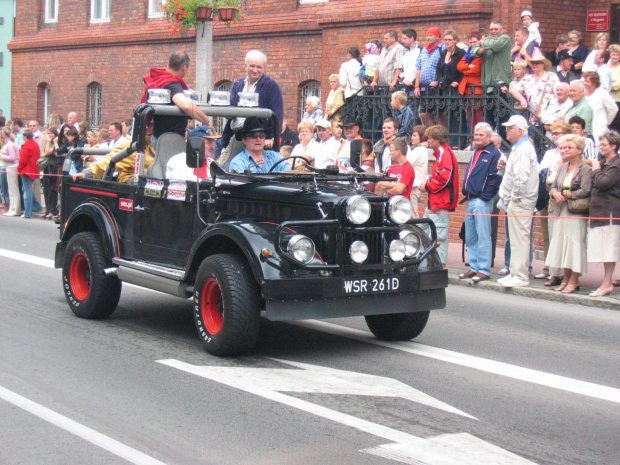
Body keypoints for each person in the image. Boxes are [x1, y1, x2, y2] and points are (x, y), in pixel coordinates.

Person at [545, 134, 592, 293]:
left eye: (569, 147)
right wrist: (555, 193)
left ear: (579, 150)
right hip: (560, 210)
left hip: (575, 212)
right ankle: (565, 279)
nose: (564, 150)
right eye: (563, 148)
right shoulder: (563, 166)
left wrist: (569, 194)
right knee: (563, 246)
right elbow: (553, 186)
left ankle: (574, 280)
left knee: (574, 246)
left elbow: (586, 190)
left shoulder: (585, 168)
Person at [497, 115, 539, 288]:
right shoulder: (519, 147)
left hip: (521, 201)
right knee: (514, 239)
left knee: (520, 239)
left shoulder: (523, 149)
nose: (506, 130)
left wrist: (514, 197)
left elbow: (521, 177)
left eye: (510, 128)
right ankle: (515, 271)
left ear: (520, 130)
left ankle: (521, 275)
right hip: (517, 200)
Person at [458, 122, 502, 282]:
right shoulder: (477, 151)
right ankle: (474, 267)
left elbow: (495, 178)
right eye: (476, 134)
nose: (477, 137)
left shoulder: (493, 154)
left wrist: (485, 197)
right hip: (470, 199)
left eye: (480, 135)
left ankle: (484, 269)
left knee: (483, 236)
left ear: (489, 137)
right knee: (471, 236)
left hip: (481, 200)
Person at [141, 51, 210, 144]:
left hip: (159, 136)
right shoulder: (172, 83)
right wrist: (205, 119)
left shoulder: (159, 78)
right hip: (169, 141)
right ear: (184, 68)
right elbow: (185, 105)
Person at [222, 50, 283, 154]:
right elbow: (230, 107)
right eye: (252, 66)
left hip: (258, 139)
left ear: (264, 68)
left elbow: (277, 114)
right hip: (236, 136)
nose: (255, 70)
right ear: (245, 66)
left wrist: (272, 137)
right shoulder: (237, 85)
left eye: (259, 67)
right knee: (225, 166)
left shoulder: (271, 86)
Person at [537, 120, 572, 285]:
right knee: (548, 235)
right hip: (547, 196)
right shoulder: (550, 153)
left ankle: (563, 274)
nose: (555, 136)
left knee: (562, 238)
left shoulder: (570, 154)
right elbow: (542, 172)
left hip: (564, 200)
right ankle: (550, 269)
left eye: (559, 133)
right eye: (554, 133)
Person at [420, 125, 459, 266]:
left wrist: (427, 185)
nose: (428, 141)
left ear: (437, 139)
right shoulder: (443, 153)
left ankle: (440, 265)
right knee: (425, 230)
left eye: (430, 138)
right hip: (435, 201)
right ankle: (428, 261)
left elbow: (444, 179)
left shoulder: (444, 154)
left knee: (439, 235)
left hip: (440, 202)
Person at [587, 131, 620, 296]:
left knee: (609, 248)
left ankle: (607, 283)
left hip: (610, 211)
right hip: (600, 210)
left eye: (604, 144)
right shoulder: (603, 163)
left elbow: (604, 183)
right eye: (600, 144)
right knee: (604, 248)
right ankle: (606, 282)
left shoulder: (616, 164)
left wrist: (596, 170)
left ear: (614, 146)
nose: (601, 147)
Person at [75, 122, 155, 184]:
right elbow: (110, 160)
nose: (147, 127)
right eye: (145, 124)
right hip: (134, 183)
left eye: (151, 124)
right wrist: (88, 173)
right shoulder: (132, 143)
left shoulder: (162, 143)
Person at [510, 49, 559, 125]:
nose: (535, 64)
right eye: (533, 63)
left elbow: (558, 93)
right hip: (534, 119)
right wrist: (522, 99)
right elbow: (514, 90)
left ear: (543, 64)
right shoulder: (528, 78)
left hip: (549, 117)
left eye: (537, 63)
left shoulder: (552, 76)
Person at [414, 27, 445, 126]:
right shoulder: (424, 50)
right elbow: (418, 67)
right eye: (427, 35)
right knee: (424, 114)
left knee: (440, 113)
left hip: (436, 86)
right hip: (425, 86)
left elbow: (444, 66)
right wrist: (417, 86)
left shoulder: (442, 48)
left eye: (430, 35)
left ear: (437, 37)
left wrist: (438, 80)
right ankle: (433, 135)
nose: (428, 38)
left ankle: (441, 137)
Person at [435, 29, 465, 129]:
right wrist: (440, 80)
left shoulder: (460, 53)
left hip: (456, 88)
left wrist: (458, 81)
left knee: (457, 113)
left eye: (450, 39)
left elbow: (463, 69)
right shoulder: (443, 53)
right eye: (445, 39)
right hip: (445, 88)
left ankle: (458, 141)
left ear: (455, 41)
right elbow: (439, 68)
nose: (447, 41)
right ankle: (450, 139)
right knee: (447, 113)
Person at [457, 31, 484, 133]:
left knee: (478, 115)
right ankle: (472, 137)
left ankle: (478, 135)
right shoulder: (468, 53)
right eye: (470, 42)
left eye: (474, 42)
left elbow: (476, 70)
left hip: (477, 88)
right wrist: (468, 66)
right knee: (470, 114)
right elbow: (459, 66)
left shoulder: (480, 54)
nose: (472, 44)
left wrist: (466, 70)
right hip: (466, 88)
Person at [583, 71, 618, 148]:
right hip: (585, 130)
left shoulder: (602, 93)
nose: (585, 83)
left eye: (587, 81)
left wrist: (606, 122)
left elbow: (613, 109)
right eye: (584, 81)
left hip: (598, 129)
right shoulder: (582, 93)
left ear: (594, 83)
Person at [477, 21, 512, 94]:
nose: (493, 31)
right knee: (489, 105)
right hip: (488, 82)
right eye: (491, 29)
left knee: (502, 104)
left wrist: (483, 42)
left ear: (502, 30)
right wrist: (483, 49)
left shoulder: (505, 38)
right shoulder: (488, 40)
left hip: (501, 81)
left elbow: (494, 45)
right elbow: (473, 51)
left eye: (496, 29)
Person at [16, 128, 42, 218]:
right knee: (27, 189)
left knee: (27, 191)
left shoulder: (26, 145)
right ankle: (37, 206)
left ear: (25, 136)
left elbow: (23, 160)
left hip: (27, 170)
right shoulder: (35, 144)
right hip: (34, 169)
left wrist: (19, 169)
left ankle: (28, 212)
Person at [406, 125, 429, 217]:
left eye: (415, 136)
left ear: (421, 137)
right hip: (415, 184)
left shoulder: (419, 150)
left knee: (412, 212)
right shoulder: (419, 149)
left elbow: (407, 162)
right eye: (412, 135)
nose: (412, 138)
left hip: (415, 184)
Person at [0, 128, 21, 216]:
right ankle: (12, 208)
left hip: (12, 167)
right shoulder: (8, 143)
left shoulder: (10, 144)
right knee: (10, 189)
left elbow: (13, 157)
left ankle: (15, 209)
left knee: (13, 189)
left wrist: (2, 155)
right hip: (8, 166)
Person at [40, 128, 60, 219]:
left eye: (51, 133)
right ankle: (47, 210)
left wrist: (48, 142)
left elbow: (48, 152)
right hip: (46, 168)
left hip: (53, 167)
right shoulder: (49, 142)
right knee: (46, 189)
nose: (50, 135)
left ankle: (53, 210)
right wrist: (46, 152)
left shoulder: (55, 142)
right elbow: (42, 154)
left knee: (52, 190)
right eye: (48, 133)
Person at [609, 44, 620, 132]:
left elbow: (617, 85)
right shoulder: (604, 67)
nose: (615, 56)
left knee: (615, 126)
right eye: (613, 54)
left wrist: (609, 84)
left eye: (617, 54)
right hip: (605, 100)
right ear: (610, 55)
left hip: (617, 101)